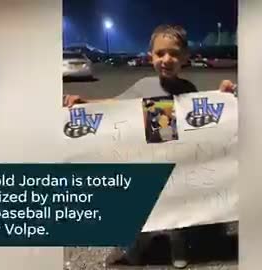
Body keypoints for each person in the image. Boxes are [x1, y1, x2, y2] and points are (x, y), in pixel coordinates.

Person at [64, 24, 237, 269]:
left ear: (185, 57)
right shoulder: (144, 86)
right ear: (151, 56)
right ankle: (136, 247)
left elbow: (207, 114)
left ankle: (177, 244)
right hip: (149, 158)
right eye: (160, 53)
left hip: (178, 159)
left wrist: (223, 96)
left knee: (177, 204)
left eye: (174, 53)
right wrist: (85, 102)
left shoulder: (188, 90)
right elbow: (114, 105)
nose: (167, 59)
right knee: (144, 206)